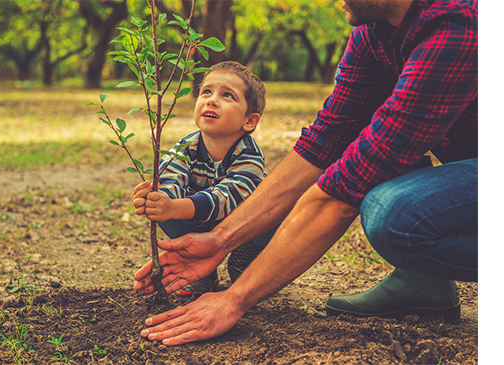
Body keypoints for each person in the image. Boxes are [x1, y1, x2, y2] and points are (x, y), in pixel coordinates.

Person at [132, 0, 478, 346]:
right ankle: (424, 283)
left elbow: (344, 191)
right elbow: (324, 143)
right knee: (378, 153)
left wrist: (234, 298)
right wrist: (220, 239)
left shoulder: (458, 25)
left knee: (393, 213)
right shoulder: (372, 33)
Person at [132, 61, 276, 296]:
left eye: (227, 95)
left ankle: (249, 257)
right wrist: (158, 200)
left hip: (243, 224)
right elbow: (171, 178)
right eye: (206, 92)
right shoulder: (187, 146)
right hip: (200, 220)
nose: (211, 100)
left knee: (275, 217)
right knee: (167, 214)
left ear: (249, 121)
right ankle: (203, 271)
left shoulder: (249, 154)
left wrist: (177, 207)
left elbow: (228, 198)